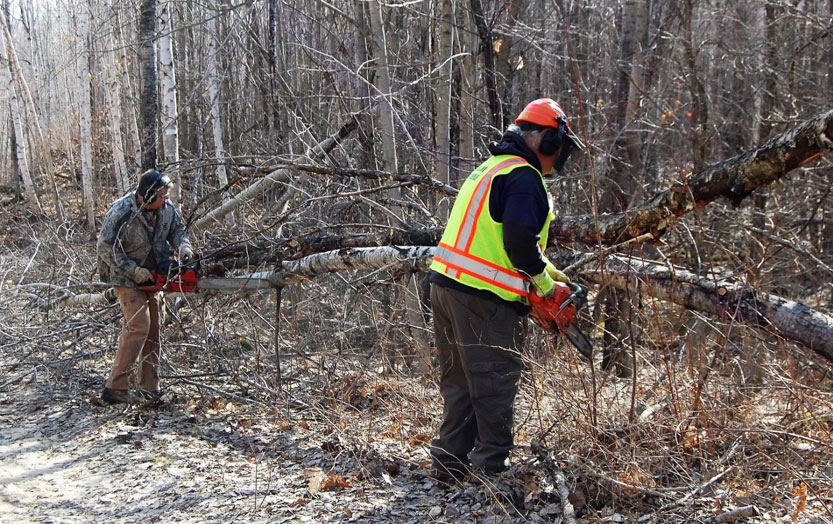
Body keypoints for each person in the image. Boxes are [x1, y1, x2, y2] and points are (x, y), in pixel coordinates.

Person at [428, 98, 581, 479]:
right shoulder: (525, 178)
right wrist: (543, 285)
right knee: (495, 385)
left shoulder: (491, 168)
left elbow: (498, 238)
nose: (557, 158)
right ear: (545, 140)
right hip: (484, 298)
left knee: (460, 384)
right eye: (557, 148)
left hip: (446, 287)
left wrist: (550, 271)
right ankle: (489, 480)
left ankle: (449, 468)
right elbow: (517, 242)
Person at [96, 169, 193, 405]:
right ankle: (115, 388)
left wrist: (184, 247)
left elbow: (178, 230)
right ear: (146, 196)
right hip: (125, 275)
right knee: (139, 325)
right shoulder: (122, 212)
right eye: (162, 196)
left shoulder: (166, 209)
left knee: (154, 329)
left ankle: (149, 388)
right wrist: (133, 271)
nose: (166, 199)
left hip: (155, 274)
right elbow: (106, 247)